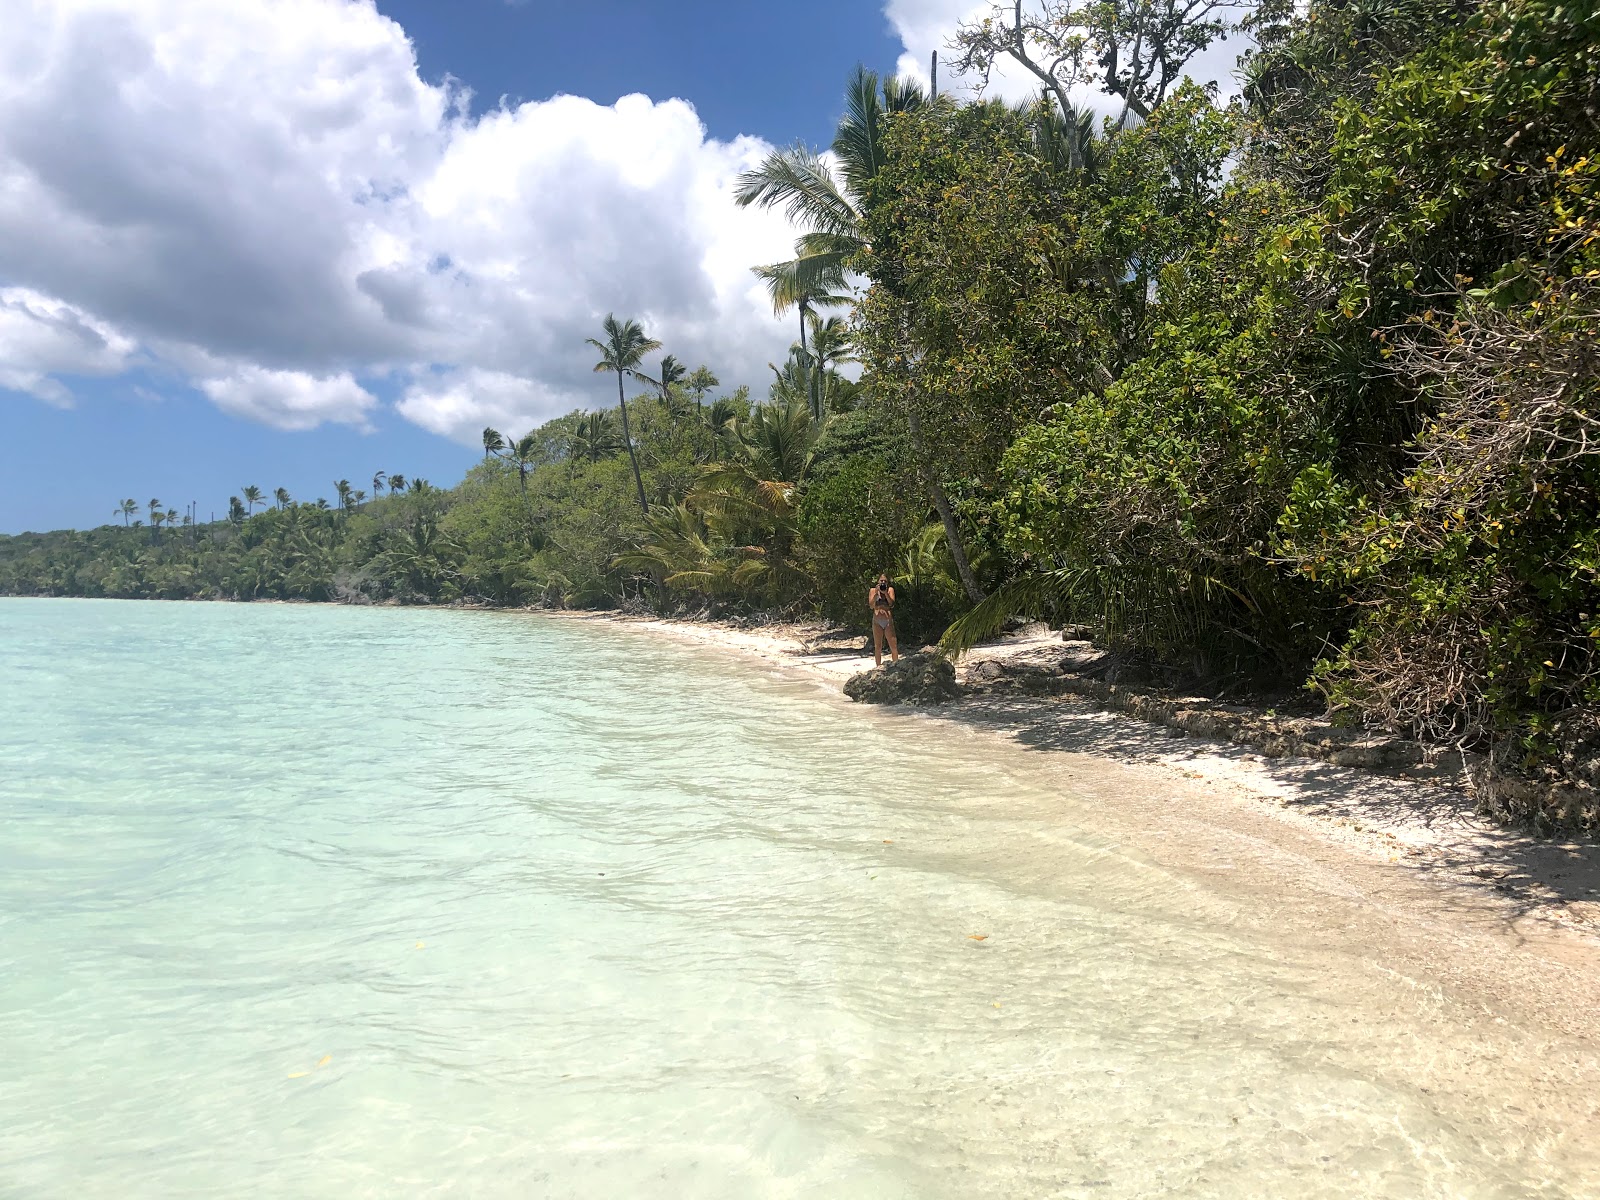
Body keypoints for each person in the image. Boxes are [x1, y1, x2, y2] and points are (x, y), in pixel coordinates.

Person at [867, 572, 899, 667]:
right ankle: (878, 667)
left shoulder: (890, 590)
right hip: (877, 621)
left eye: (885, 581)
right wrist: (876, 595)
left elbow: (891, 604)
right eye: (881, 581)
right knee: (878, 646)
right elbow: (871, 606)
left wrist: (886, 594)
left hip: (887, 620)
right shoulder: (873, 590)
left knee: (893, 645)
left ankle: (896, 665)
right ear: (878, 582)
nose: (883, 583)